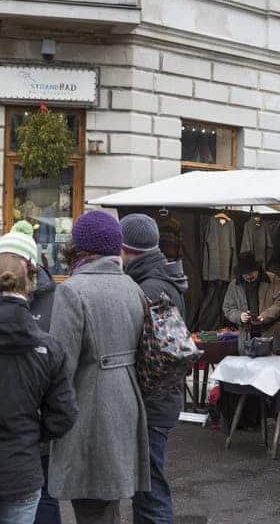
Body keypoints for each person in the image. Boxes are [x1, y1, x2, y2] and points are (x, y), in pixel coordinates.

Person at [48, 211, 150, 524]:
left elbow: (59, 366)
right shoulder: (132, 287)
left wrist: (47, 416)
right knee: (109, 500)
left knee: (90, 502)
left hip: (91, 405)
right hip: (127, 400)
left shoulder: (72, 290)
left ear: (79, 247)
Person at [0, 237, 78, 524]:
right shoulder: (48, 347)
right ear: (30, 281)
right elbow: (65, 413)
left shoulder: (47, 347)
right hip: (23, 467)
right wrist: (33, 433)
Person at [120, 214, 189, 524]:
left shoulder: (148, 288)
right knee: (149, 484)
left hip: (152, 402)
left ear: (126, 249)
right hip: (165, 397)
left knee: (150, 491)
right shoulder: (166, 279)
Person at [6, 221, 62, 524]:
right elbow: (64, 405)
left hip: (31, 442)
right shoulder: (56, 299)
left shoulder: (55, 298)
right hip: (31, 445)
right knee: (44, 498)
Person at [223, 251, 280, 354]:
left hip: (271, 333)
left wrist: (265, 316)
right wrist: (240, 316)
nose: (249, 276)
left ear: (257, 269)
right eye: (245, 274)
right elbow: (228, 308)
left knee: (272, 367)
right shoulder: (234, 285)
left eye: (251, 272)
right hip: (247, 335)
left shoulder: (273, 280)